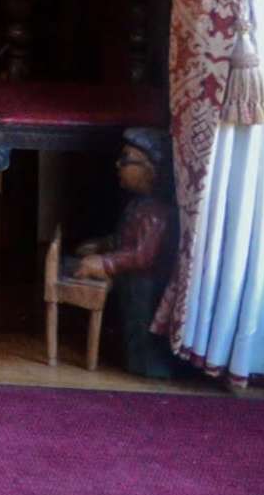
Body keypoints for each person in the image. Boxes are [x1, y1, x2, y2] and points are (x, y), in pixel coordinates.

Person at [68, 126, 180, 379]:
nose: (119, 165)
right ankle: (136, 363)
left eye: (126, 160)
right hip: (133, 284)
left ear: (152, 170)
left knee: (142, 327)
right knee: (131, 325)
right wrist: (104, 245)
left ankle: (149, 368)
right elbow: (125, 239)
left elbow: (141, 254)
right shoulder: (138, 206)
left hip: (146, 286)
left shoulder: (155, 213)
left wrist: (105, 263)